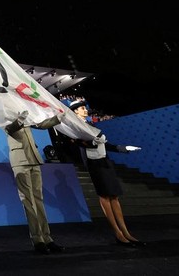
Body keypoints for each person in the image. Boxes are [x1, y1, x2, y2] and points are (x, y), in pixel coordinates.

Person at [67, 98, 145, 248]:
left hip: (104, 160)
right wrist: (91, 142)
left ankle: (126, 232)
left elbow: (105, 143)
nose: (84, 109)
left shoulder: (90, 124)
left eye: (84, 107)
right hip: (94, 163)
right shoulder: (75, 125)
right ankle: (117, 233)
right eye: (81, 108)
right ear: (75, 111)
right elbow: (75, 141)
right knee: (104, 196)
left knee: (114, 196)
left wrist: (124, 148)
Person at [3, 110, 68, 254]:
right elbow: (9, 129)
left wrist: (57, 118)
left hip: (34, 159)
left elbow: (40, 124)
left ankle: (47, 238)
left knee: (38, 200)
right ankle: (38, 240)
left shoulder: (25, 114)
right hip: (20, 161)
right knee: (28, 201)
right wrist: (19, 120)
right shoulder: (5, 115)